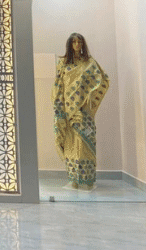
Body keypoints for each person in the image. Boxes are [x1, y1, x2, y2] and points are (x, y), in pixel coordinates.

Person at [52, 33, 109, 189]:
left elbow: (103, 80)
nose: (77, 44)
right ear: (70, 45)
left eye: (79, 42)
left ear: (83, 44)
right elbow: (58, 86)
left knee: (85, 144)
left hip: (84, 112)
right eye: (74, 42)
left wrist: (92, 93)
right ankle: (74, 179)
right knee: (71, 144)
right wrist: (59, 108)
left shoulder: (89, 63)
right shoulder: (63, 63)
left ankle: (88, 179)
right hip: (68, 111)